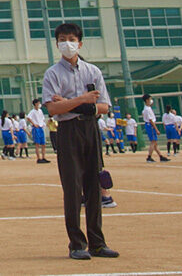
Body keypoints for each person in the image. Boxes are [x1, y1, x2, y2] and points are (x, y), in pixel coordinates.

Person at [42, 21, 118, 261]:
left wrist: (71, 102)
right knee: (73, 187)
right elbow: (53, 109)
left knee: (94, 185)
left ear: (80, 43)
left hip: (90, 130)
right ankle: (76, 243)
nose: (68, 44)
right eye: (63, 39)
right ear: (57, 44)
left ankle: (97, 242)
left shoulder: (93, 72)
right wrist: (84, 100)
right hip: (67, 131)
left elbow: (104, 106)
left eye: (72, 40)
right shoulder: (52, 74)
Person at [140, 95, 167, 163]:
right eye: (150, 99)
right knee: (153, 141)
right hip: (150, 126)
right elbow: (151, 120)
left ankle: (161, 156)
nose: (151, 100)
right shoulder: (147, 109)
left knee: (155, 143)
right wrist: (156, 129)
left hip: (149, 125)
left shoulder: (147, 108)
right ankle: (149, 157)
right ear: (147, 100)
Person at [28, 99, 50, 163]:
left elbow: (42, 118)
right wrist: (34, 124)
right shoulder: (32, 111)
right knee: (37, 144)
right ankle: (38, 158)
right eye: (38, 103)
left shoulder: (40, 111)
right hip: (36, 128)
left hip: (41, 127)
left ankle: (43, 157)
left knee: (43, 144)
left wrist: (43, 124)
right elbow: (28, 118)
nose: (39, 104)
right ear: (35, 104)